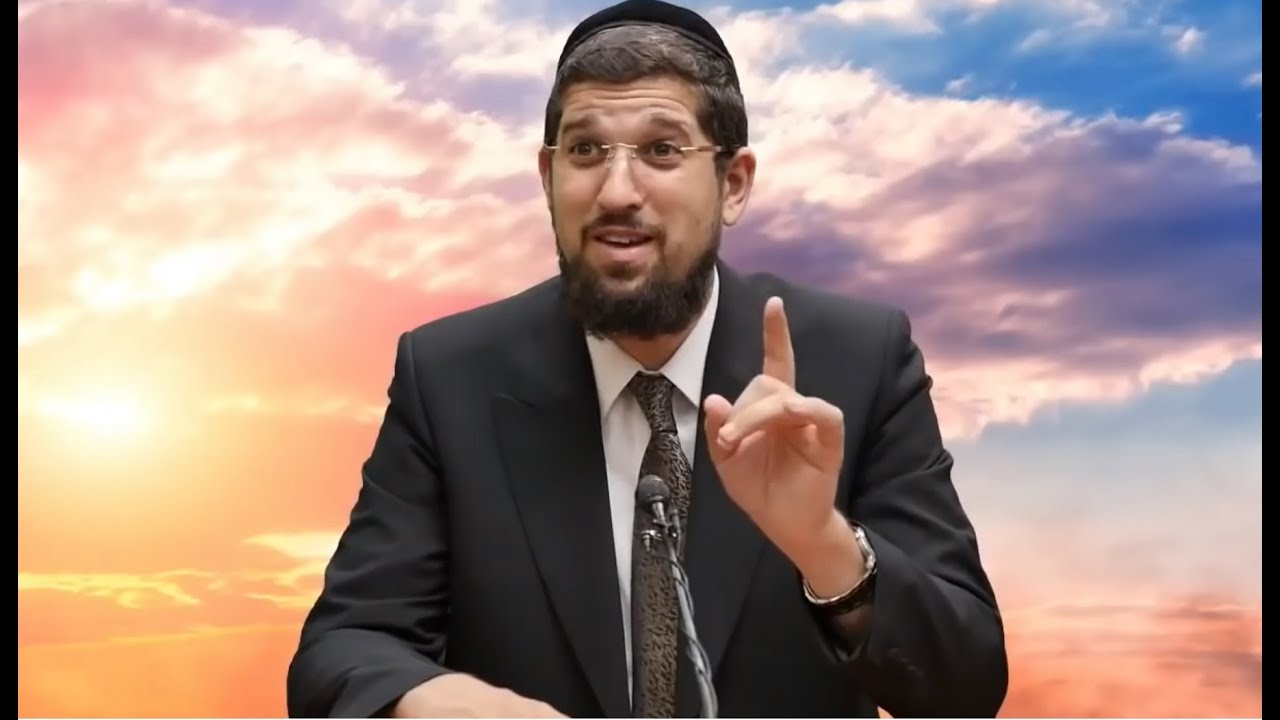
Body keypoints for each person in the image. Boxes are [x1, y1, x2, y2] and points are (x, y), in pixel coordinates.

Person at [286, 0, 1008, 716]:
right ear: (547, 178)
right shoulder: (450, 376)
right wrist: (435, 701)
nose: (617, 192)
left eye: (662, 151)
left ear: (733, 183)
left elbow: (967, 688)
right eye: (586, 151)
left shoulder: (858, 361)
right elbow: (342, 649)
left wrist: (824, 545)